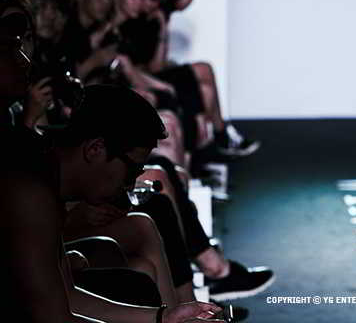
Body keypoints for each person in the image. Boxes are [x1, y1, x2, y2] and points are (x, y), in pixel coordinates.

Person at [0, 27, 223, 323]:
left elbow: (67, 296)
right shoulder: (31, 190)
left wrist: (163, 317)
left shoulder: (44, 176)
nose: (129, 185)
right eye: (131, 169)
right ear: (95, 149)